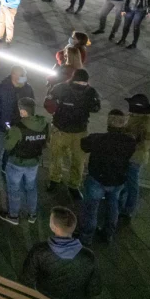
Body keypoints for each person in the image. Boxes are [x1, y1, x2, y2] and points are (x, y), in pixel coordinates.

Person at [78, 109, 137, 246]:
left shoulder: (97, 139)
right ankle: (108, 234)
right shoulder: (130, 142)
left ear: (108, 124)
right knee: (113, 205)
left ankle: (86, 237)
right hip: (117, 180)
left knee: (91, 209)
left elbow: (83, 145)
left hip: (97, 179)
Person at [22, 207, 102, 299]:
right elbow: (95, 289)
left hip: (43, 297)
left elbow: (26, 279)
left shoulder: (39, 250)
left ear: (53, 227)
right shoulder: (88, 256)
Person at [45, 68, 101, 200]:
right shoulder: (63, 88)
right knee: (60, 158)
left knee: (75, 160)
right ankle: (58, 180)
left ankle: (70, 184)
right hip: (66, 130)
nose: (81, 86)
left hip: (73, 131)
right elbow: (48, 104)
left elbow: (96, 107)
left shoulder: (88, 91)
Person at [0, 97, 49, 225]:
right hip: (34, 163)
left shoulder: (17, 128)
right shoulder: (44, 125)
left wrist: (9, 132)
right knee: (31, 188)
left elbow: (7, 146)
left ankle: (13, 216)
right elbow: (45, 143)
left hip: (17, 163)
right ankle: (32, 215)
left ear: (23, 112)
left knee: (14, 189)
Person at [0, 66, 36, 178]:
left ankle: (5, 168)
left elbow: (31, 105)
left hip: (18, 127)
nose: (23, 79)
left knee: (10, 151)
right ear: (13, 75)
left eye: (24, 76)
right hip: (2, 126)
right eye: (21, 76)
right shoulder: (2, 88)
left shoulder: (27, 88)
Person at [119, 93, 150, 220]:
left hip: (134, 158)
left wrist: (129, 139)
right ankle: (120, 200)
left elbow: (144, 144)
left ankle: (128, 209)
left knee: (132, 184)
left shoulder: (147, 123)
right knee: (125, 180)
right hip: (127, 155)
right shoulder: (136, 116)